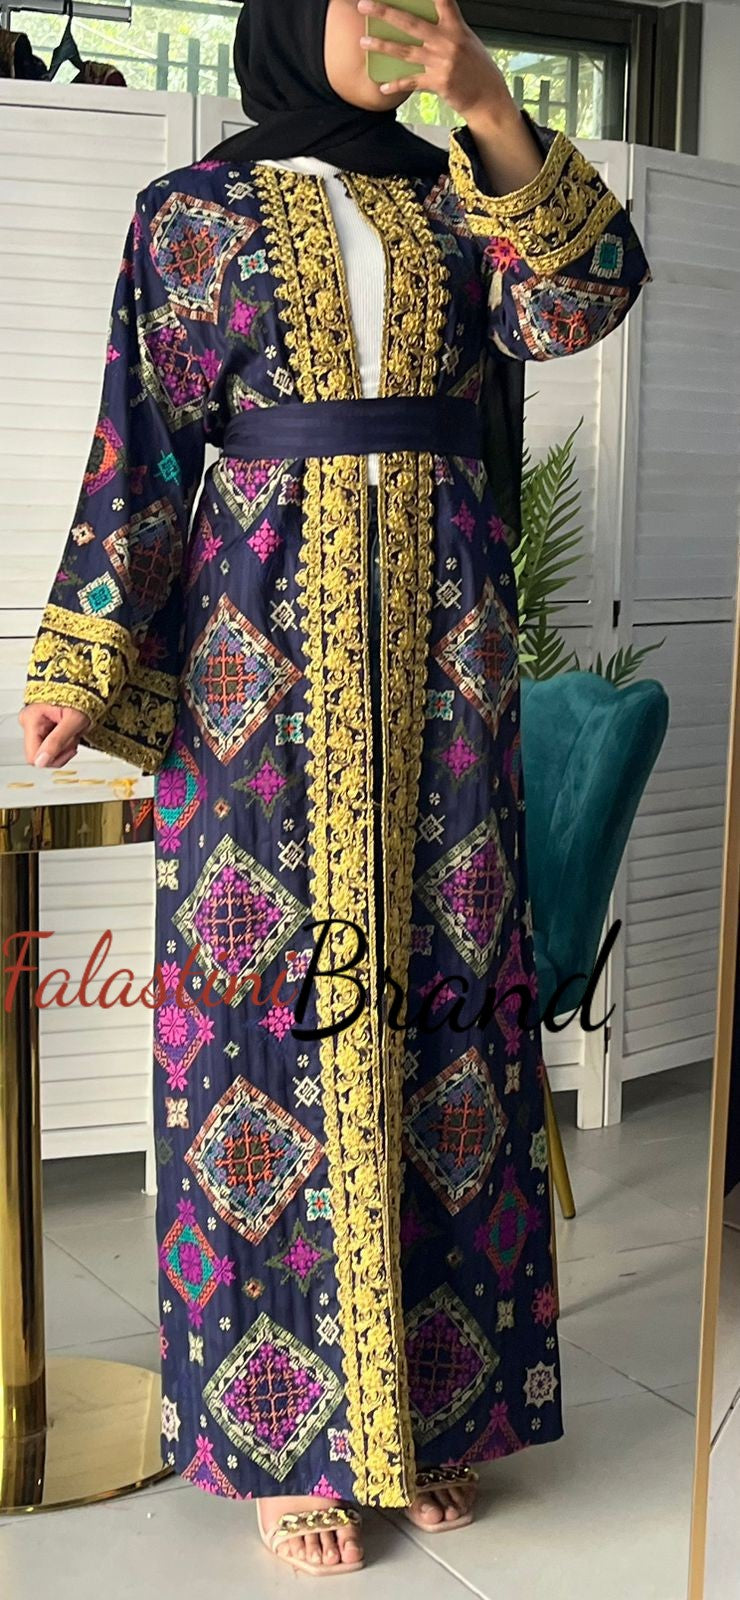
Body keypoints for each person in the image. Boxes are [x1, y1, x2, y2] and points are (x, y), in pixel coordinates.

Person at [19, 0, 651, 1577]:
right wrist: (83, 652)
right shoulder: (193, 211)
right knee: (264, 1034)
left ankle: (430, 1410)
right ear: (299, 20)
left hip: (447, 656)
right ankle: (283, 1434)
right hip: (256, 664)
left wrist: (491, 105)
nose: (401, 12)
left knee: (448, 1028)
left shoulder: (463, 198)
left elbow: (583, 300)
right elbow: (144, 439)